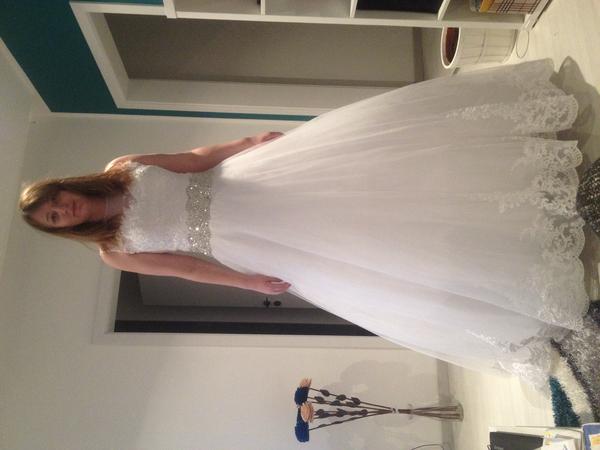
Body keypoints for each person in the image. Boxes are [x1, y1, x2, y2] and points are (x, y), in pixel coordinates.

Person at [20, 60, 589, 388]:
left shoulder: (122, 167)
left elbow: (192, 159)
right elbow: (189, 270)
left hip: (252, 181)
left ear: (64, 187)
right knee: (374, 243)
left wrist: (246, 141)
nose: (63, 211)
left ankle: (522, 178)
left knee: (379, 180)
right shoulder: (114, 251)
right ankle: (521, 252)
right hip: (250, 241)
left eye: (56, 202)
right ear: (61, 229)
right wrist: (248, 282)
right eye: (53, 219)